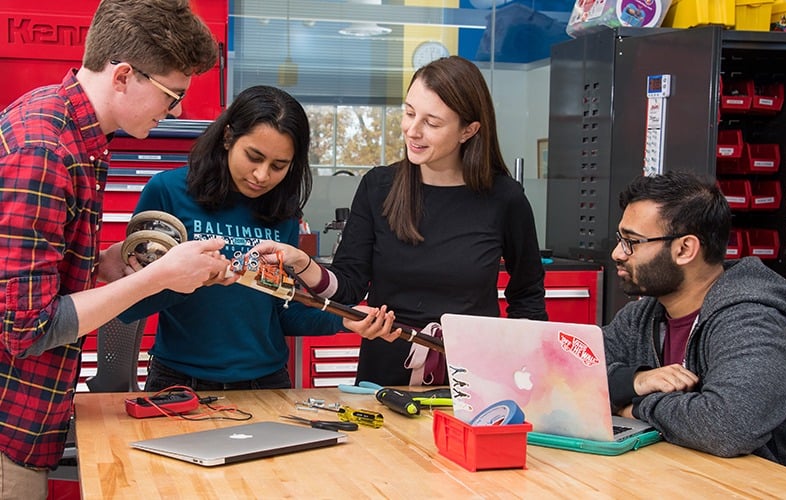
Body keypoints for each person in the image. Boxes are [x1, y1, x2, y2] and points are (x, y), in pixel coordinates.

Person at [0, 0, 227, 496]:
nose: (179, 111)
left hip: (31, 418)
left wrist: (103, 264)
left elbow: (38, 275)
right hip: (8, 429)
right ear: (123, 75)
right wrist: (157, 278)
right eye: (172, 95)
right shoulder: (46, 151)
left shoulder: (78, 137)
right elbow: (25, 328)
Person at [251, 55, 548, 386]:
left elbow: (528, 298)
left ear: (469, 130)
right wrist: (303, 263)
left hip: (473, 381)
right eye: (409, 113)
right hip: (384, 380)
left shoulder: (504, 198)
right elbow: (347, 288)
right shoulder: (379, 187)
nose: (412, 130)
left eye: (432, 123)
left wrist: (523, 376)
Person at [118, 85, 395, 391]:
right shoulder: (168, 191)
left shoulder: (281, 212)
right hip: (181, 381)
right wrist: (189, 279)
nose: (262, 176)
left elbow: (282, 312)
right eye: (254, 157)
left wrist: (342, 320)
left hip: (266, 383)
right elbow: (130, 303)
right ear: (227, 137)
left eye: (279, 166)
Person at [603, 170, 786, 479]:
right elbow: (560, 376)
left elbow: (727, 426)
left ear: (685, 249)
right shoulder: (641, 318)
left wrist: (634, 407)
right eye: (620, 240)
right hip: (678, 481)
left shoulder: (755, 322)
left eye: (632, 242)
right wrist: (636, 381)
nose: (618, 253)